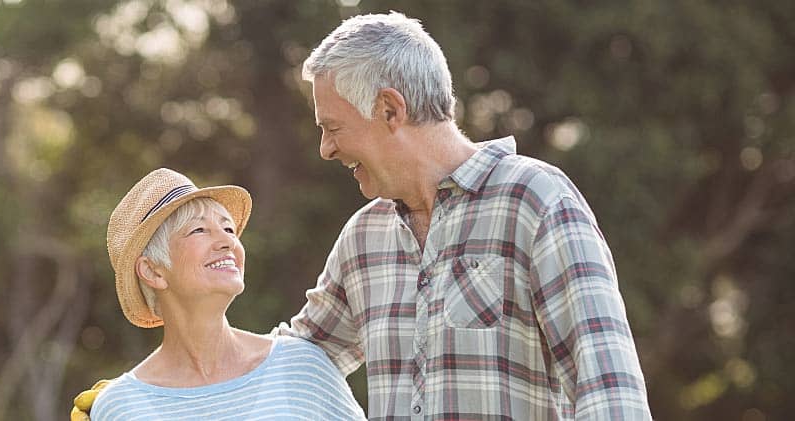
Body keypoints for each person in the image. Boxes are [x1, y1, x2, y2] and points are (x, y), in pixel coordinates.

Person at [76, 12, 652, 420]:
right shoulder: (366, 238)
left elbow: (612, 396)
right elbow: (299, 355)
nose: (326, 149)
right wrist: (151, 397)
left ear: (390, 109)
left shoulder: (536, 201)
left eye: (332, 127)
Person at [85, 168, 365, 421]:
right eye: (199, 230)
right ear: (153, 271)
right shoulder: (120, 407)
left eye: (228, 228)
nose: (228, 241)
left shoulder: (300, 365)